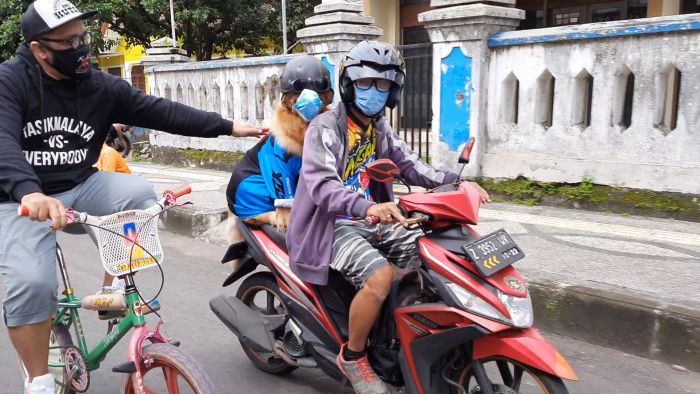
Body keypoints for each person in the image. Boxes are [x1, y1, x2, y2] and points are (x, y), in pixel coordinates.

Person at [0, 1, 264, 393]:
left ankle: (112, 289)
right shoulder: (10, 80)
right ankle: (37, 380)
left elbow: (162, 111)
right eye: (69, 42)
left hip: (80, 185)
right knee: (32, 282)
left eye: (83, 37)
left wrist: (230, 127)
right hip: (22, 198)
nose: (82, 48)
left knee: (138, 192)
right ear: (40, 49)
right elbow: (2, 140)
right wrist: (29, 190)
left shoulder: (97, 86)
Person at [286, 40, 490, 394]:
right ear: (349, 85)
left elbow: (410, 165)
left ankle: (402, 337)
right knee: (380, 277)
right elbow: (321, 187)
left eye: (383, 85)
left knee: (433, 258)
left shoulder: (378, 128)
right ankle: (354, 357)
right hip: (330, 226)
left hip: (376, 219)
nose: (373, 92)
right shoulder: (325, 127)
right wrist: (368, 207)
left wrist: (457, 182)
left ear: (393, 91)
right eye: (365, 83)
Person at [225, 55, 333, 263]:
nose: (309, 100)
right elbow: (279, 175)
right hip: (250, 185)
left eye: (318, 95)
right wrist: (284, 212)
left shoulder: (327, 122)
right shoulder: (283, 139)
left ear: (327, 97)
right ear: (287, 99)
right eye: (299, 94)